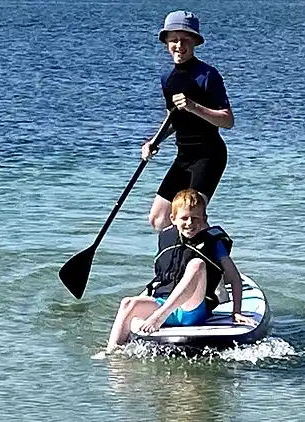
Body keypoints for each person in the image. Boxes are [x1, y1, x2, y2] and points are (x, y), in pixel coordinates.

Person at [104, 189, 256, 354]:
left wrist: (236, 312)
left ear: (205, 219)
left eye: (195, 218)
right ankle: (111, 353)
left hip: (193, 309)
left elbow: (234, 277)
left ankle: (158, 317)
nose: (190, 223)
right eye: (184, 218)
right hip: (163, 303)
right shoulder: (167, 238)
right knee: (127, 303)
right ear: (173, 219)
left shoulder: (214, 243)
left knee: (197, 264)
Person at [142, 10, 234, 231]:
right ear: (166, 42)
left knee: (192, 218)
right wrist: (153, 142)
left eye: (185, 40)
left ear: (195, 42)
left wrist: (194, 107)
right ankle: (176, 262)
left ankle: (212, 260)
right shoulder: (168, 79)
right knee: (159, 219)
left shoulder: (208, 76)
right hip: (184, 156)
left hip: (209, 156)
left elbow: (227, 120)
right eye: (173, 40)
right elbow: (173, 119)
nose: (179, 45)